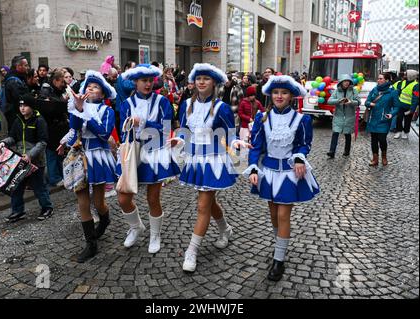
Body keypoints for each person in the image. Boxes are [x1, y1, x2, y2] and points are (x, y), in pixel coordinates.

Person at [173, 63, 250, 272]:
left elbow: (230, 132)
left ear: (214, 82)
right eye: (198, 78)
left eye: (206, 78)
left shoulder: (221, 107)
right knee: (208, 202)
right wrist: (178, 141)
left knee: (202, 205)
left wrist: (236, 144)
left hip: (214, 160)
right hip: (195, 160)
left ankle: (192, 250)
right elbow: (183, 130)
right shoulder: (186, 104)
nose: (201, 82)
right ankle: (226, 230)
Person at [244, 75, 320, 281]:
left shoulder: (301, 119)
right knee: (273, 213)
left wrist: (299, 158)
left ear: (291, 96)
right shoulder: (262, 118)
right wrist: (252, 168)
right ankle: (280, 243)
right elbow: (256, 146)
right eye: (276, 92)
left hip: (289, 174)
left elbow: (304, 144)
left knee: (283, 215)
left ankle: (279, 259)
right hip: (268, 173)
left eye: (284, 92)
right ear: (270, 95)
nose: (279, 96)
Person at [116, 64, 181, 254]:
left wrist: (143, 123)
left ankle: (155, 234)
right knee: (123, 198)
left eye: (150, 80)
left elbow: (166, 129)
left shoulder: (162, 102)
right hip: (134, 152)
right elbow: (123, 130)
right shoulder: (126, 104)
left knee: (153, 198)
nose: (148, 84)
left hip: (155, 152)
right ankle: (136, 226)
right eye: (143, 81)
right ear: (135, 82)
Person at [58, 71, 118, 263]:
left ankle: (105, 219)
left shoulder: (107, 111)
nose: (90, 89)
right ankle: (91, 245)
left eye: (95, 87)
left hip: (99, 157)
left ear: (102, 94)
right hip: (80, 157)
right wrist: (77, 109)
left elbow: (103, 133)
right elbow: (75, 128)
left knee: (98, 202)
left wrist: (86, 114)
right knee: (82, 200)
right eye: (88, 87)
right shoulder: (78, 106)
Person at [0, 94, 54, 222]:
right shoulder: (18, 120)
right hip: (19, 161)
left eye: (25, 106)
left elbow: (43, 142)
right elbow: (13, 137)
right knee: (16, 187)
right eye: (20, 105)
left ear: (32, 107)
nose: (22, 108)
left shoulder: (39, 121)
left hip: (36, 162)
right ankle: (18, 211)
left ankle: (47, 208)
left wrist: (30, 155)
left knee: (39, 187)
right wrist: (5, 142)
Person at [39, 68, 70, 187]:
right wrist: (63, 101)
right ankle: (54, 178)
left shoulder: (57, 90)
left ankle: (58, 175)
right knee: (52, 153)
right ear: (56, 80)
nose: (64, 84)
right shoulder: (47, 91)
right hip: (51, 128)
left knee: (59, 153)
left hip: (59, 127)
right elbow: (50, 108)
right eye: (62, 81)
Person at [365, 73, 401, 166]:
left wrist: (391, 114)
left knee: (382, 139)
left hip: (384, 119)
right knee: (374, 140)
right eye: (378, 78)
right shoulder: (374, 89)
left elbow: (397, 107)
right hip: (373, 118)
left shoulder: (393, 92)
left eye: (381, 79)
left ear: (387, 80)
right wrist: (370, 104)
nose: (378, 80)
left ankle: (384, 157)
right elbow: (367, 101)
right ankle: (375, 159)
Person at [326, 74, 361, 158]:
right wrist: (338, 101)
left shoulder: (353, 91)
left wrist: (351, 102)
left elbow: (359, 102)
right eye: (345, 81)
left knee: (347, 134)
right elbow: (329, 101)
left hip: (349, 116)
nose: (346, 83)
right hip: (339, 115)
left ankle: (347, 150)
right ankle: (332, 151)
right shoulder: (337, 91)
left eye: (348, 81)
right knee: (335, 133)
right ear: (341, 82)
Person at [4, 56, 30, 131]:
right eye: (26, 65)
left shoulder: (19, 77)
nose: (28, 67)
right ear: (18, 66)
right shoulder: (13, 81)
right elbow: (19, 98)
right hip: (15, 114)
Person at [393, 69, 419, 140]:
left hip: (409, 107)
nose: (404, 76)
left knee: (407, 120)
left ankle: (406, 132)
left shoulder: (416, 85)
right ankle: (399, 131)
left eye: (406, 74)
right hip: (400, 105)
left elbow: (416, 98)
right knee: (399, 118)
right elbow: (397, 91)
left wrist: (412, 109)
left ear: (410, 76)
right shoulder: (402, 82)